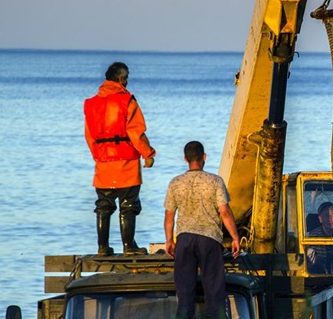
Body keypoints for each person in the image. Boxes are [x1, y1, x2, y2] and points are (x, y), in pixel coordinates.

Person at [84, 62, 156, 256]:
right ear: (122, 79)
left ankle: (102, 247)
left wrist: (98, 155)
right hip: (126, 161)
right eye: (127, 78)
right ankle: (129, 246)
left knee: (104, 205)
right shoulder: (127, 101)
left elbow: (89, 136)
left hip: (103, 162)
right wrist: (148, 154)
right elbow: (136, 132)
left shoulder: (91, 104)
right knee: (129, 205)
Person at [164, 141, 241, 319]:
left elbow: (169, 216)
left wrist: (169, 241)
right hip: (210, 240)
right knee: (214, 293)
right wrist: (235, 237)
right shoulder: (215, 181)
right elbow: (225, 212)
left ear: (185, 159)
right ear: (204, 157)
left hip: (184, 239)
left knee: (184, 294)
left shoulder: (175, 183)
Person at [306, 201, 333, 274]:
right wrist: (316, 260)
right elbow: (308, 260)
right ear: (320, 219)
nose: (330, 219)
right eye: (326, 215)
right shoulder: (311, 237)